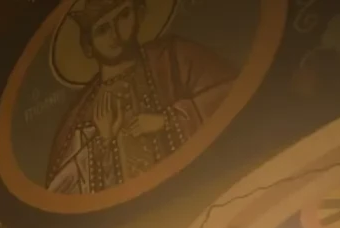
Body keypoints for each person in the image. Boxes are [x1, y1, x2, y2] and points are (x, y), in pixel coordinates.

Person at [43, 0, 238, 197]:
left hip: (203, 190)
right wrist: (103, 141)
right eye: (102, 29)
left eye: (123, 16)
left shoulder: (174, 58)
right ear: (88, 46)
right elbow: (61, 192)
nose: (115, 34)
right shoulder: (82, 113)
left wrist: (167, 120)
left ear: (140, 13)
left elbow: (230, 94)